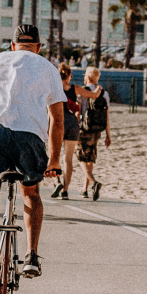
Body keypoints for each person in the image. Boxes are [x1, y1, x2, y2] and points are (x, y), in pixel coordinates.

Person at [0, 24, 66, 278]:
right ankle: (31, 256)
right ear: (37, 47)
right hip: (29, 137)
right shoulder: (47, 67)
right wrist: (54, 160)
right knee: (31, 195)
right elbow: (57, 120)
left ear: (13, 46)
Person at [73, 66, 111, 200]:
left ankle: (94, 183)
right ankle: (84, 188)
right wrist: (108, 135)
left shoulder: (84, 92)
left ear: (88, 78)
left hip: (84, 128)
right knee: (90, 158)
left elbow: (78, 111)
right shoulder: (104, 94)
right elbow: (106, 115)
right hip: (97, 130)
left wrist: (76, 127)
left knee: (81, 157)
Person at [51, 63, 81, 198]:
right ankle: (65, 190)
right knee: (68, 159)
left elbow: (49, 112)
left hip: (58, 122)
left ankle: (57, 181)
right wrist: (98, 89)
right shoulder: (75, 88)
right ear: (69, 75)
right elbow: (93, 95)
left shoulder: (54, 88)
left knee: (53, 155)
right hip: (72, 123)